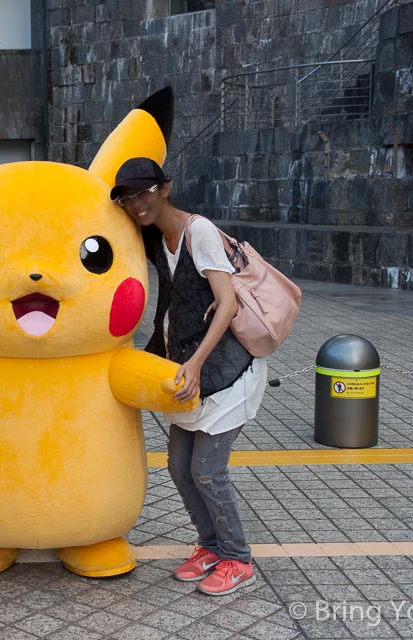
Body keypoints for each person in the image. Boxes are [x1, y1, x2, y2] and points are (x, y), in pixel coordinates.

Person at [112, 158, 267, 597]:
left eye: (143, 193)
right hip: (191, 370)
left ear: (166, 187)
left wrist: (196, 362)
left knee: (208, 471)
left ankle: (237, 558)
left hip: (227, 371)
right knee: (179, 467)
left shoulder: (198, 231)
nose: (136, 204)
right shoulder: (159, 238)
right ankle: (210, 546)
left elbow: (227, 302)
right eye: (127, 198)